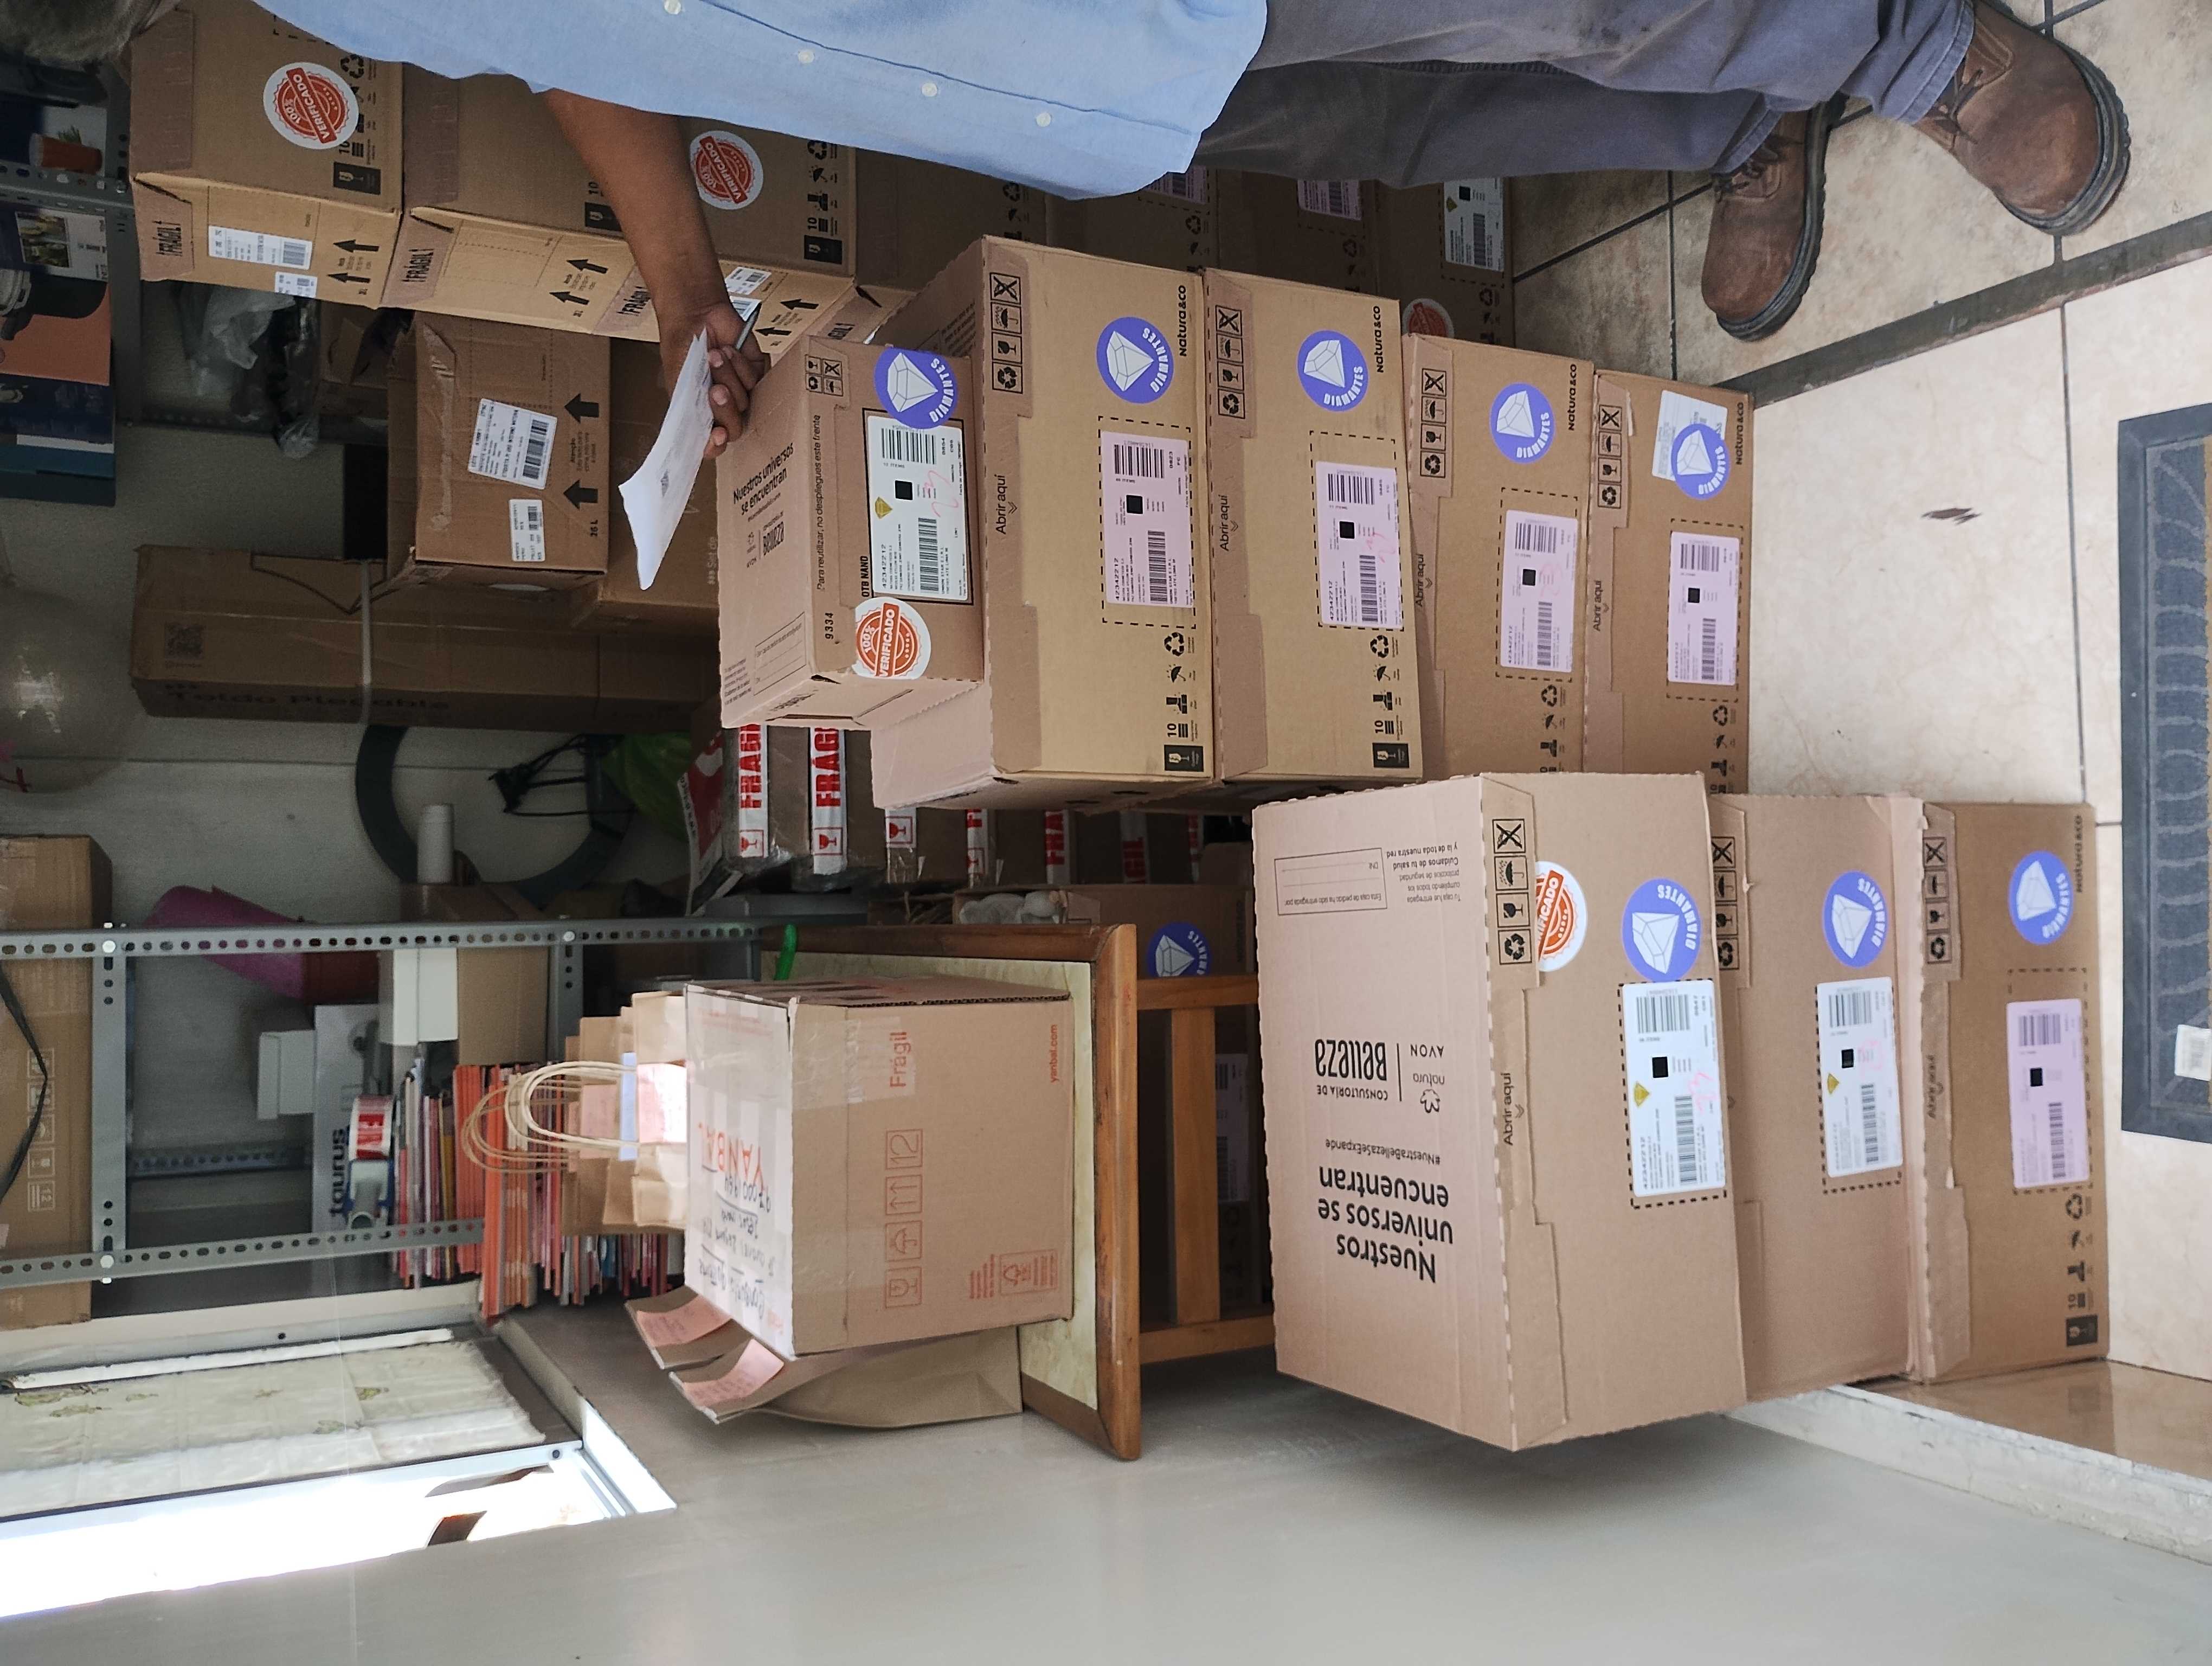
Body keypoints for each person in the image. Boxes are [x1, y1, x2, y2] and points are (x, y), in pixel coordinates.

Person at [2, 1, 2127, 439]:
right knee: (1424, 111)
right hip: (1065, 77)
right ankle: (1769, 93)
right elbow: (565, 37)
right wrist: (681, 281)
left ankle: (1925, 48)